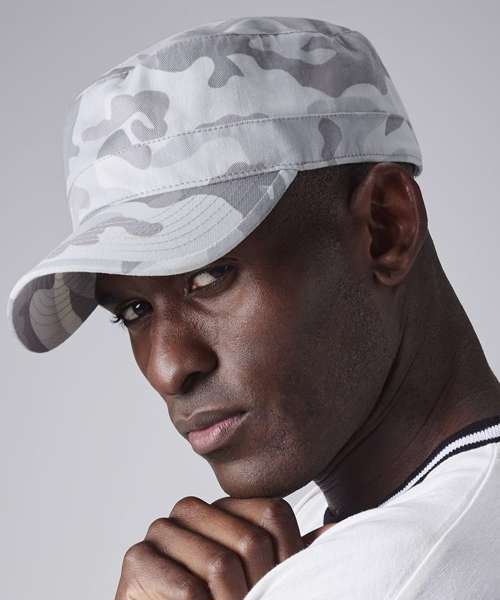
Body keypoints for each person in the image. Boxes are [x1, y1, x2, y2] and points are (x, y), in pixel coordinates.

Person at [6, 15, 500, 600]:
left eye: (210, 275)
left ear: (385, 227)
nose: (168, 368)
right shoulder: (360, 521)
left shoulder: (387, 574)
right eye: (134, 311)